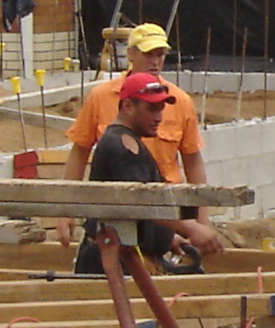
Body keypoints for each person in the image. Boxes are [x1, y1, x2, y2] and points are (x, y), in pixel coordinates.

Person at [57, 23, 222, 260]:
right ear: (131, 54)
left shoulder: (179, 101)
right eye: (148, 54)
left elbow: (193, 163)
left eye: (160, 54)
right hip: (125, 225)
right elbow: (137, 195)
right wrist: (65, 210)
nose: (155, 61)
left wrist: (199, 224)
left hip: (162, 220)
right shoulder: (113, 128)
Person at [75, 72, 182, 269]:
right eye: (151, 109)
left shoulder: (126, 141)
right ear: (128, 106)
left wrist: (165, 237)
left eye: (161, 109)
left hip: (119, 256)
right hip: (111, 261)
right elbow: (143, 201)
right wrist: (193, 230)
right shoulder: (123, 146)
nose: (159, 117)